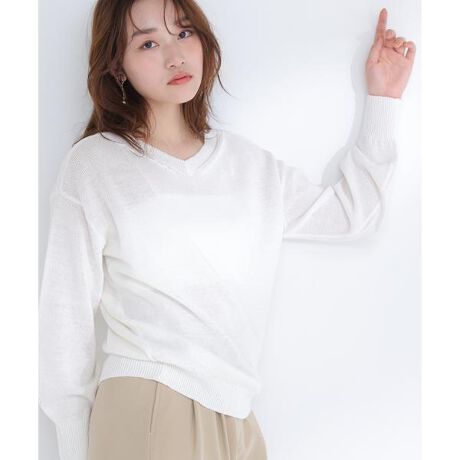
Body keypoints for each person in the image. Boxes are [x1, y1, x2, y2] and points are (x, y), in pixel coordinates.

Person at [38, 0, 416, 459]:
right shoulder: (96, 163)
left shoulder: (248, 166)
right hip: (150, 403)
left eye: (184, 33)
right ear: (117, 65)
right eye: (148, 43)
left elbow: (353, 214)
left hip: (238, 414)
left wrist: (384, 99)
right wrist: (73, 442)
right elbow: (65, 312)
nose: (175, 56)